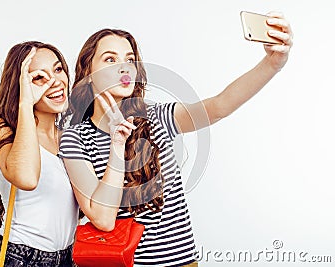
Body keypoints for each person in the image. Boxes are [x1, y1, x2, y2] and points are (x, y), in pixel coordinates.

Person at [59, 12, 293, 266]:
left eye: (129, 59)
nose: (124, 66)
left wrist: (272, 64)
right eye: (110, 59)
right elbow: (103, 218)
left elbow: (219, 106)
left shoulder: (157, 116)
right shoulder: (75, 138)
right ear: (88, 72)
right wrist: (117, 145)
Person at [0, 41, 78, 266]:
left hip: (67, 259)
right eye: (39, 77)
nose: (54, 81)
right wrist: (25, 103)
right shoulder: (2, 130)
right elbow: (27, 178)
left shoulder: (70, 138)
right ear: (21, 85)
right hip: (20, 259)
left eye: (58, 69)